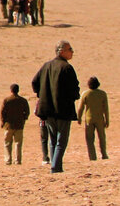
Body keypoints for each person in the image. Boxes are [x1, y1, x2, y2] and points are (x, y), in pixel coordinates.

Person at [32, 40, 80, 172]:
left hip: (47, 109)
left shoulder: (46, 66)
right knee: (61, 140)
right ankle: (56, 166)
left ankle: (54, 165)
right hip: (63, 109)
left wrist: (43, 95)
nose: (72, 52)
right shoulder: (66, 68)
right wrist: (73, 97)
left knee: (52, 139)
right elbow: (74, 89)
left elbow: (35, 82)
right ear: (61, 51)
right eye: (70, 49)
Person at [78, 76, 110, 161]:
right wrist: (107, 120)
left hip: (89, 119)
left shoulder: (85, 94)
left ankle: (92, 156)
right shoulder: (102, 94)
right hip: (100, 119)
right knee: (102, 137)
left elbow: (80, 108)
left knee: (89, 139)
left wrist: (79, 117)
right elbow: (106, 109)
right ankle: (104, 154)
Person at [0, 83, 31, 165]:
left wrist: (3, 122)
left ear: (11, 90)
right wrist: (24, 119)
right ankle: (18, 160)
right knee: (18, 143)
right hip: (19, 125)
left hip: (8, 125)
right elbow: (27, 112)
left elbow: (2, 112)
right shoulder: (23, 100)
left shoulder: (7, 100)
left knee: (7, 143)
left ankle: (8, 160)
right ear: (18, 90)